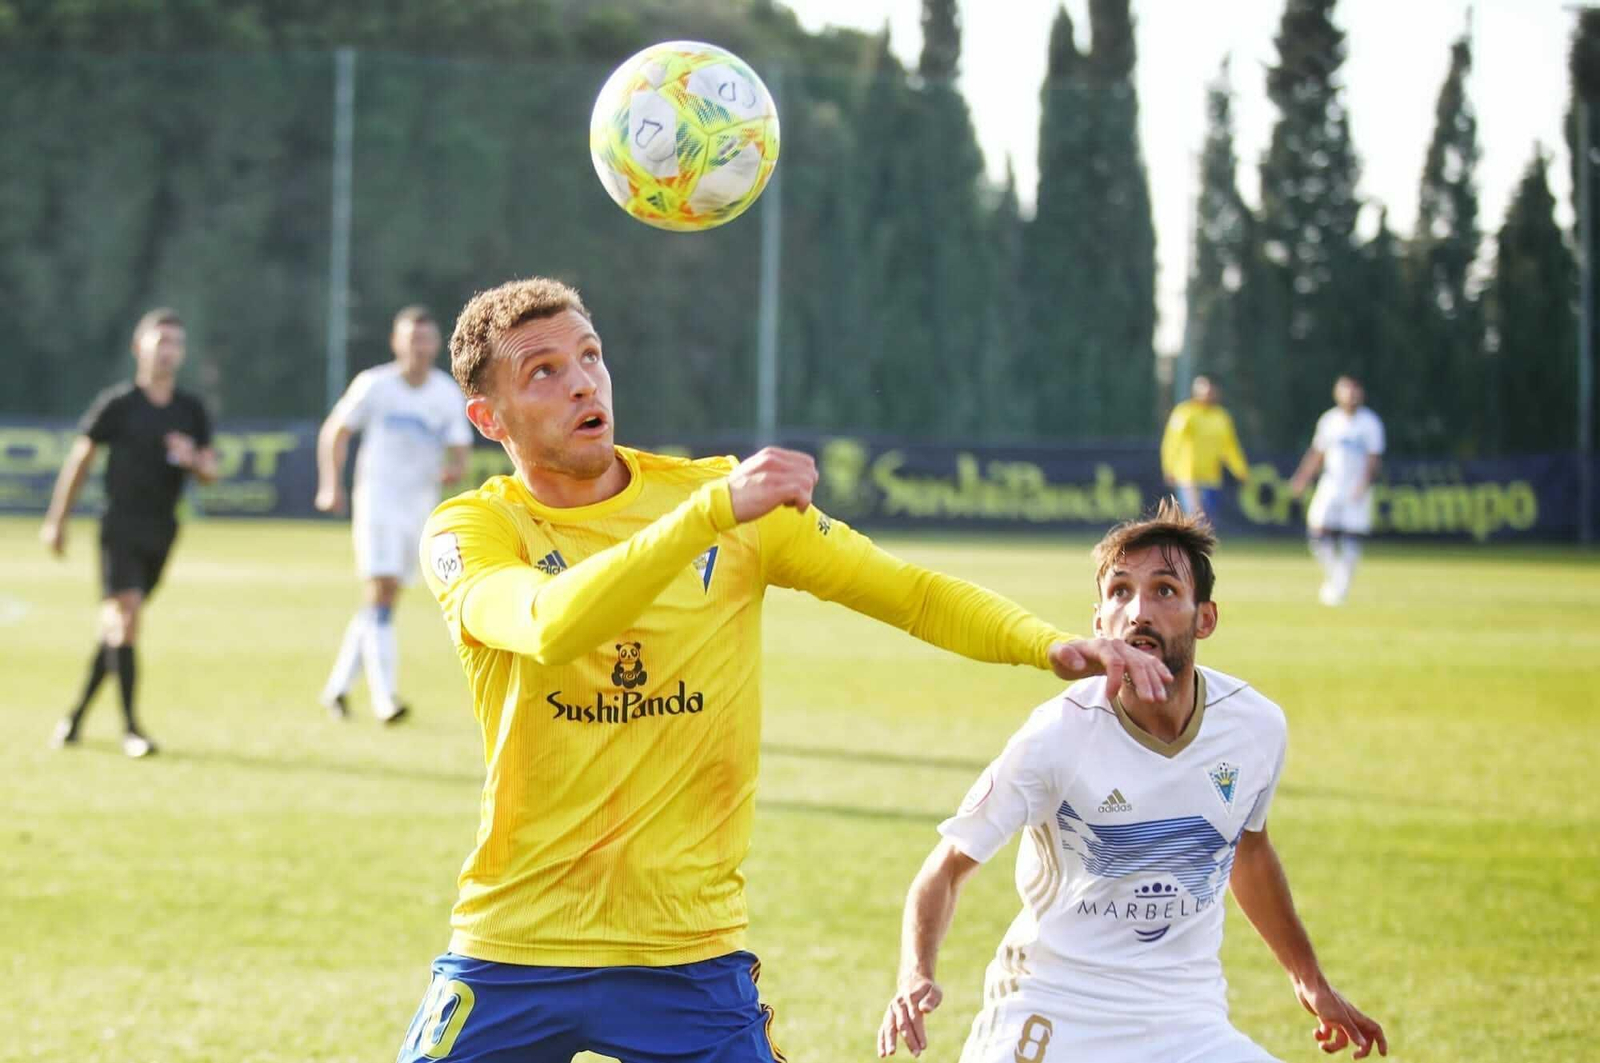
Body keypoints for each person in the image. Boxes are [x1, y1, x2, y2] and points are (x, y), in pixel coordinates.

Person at [396, 276, 1171, 1063]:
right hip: (516, 943)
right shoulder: (475, 527)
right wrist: (706, 515)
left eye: (590, 356)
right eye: (543, 372)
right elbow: (548, 623)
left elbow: (910, 591)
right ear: (487, 418)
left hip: (686, 952)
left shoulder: (725, 503)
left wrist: (1044, 643)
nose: (583, 382)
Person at [876, 501, 1387, 1063]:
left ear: (1205, 618)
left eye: (1165, 590)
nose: (1139, 610)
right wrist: (914, 974)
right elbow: (946, 871)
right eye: (1120, 591)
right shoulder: (1055, 736)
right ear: (1099, 622)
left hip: (1187, 1022)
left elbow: (1249, 849)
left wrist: (1308, 978)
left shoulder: (1256, 726)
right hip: (1053, 1012)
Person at [41, 308, 218, 757]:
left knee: (119, 633)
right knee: (127, 617)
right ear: (139, 348)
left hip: (162, 532)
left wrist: (192, 458)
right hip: (118, 526)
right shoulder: (118, 405)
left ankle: (75, 717)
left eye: (175, 343)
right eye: (159, 343)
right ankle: (132, 729)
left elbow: (210, 472)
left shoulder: (190, 410)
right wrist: (57, 519)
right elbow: (81, 460)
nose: (167, 352)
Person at [314, 306, 472, 722]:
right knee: (381, 591)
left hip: (418, 506)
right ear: (396, 342)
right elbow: (336, 431)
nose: (418, 347)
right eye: (411, 338)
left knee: (383, 600)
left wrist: (453, 469)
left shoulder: (444, 393)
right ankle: (386, 699)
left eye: (426, 339)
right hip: (378, 501)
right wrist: (330, 485)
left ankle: (337, 689)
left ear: (437, 345)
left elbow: (460, 447)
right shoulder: (375, 386)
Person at [1289, 375, 1385, 606]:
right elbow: (1317, 453)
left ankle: (1339, 588)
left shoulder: (1370, 423)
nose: (1350, 395)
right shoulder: (1329, 420)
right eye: (1346, 390)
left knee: (1352, 537)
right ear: (1337, 393)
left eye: (1355, 390)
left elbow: (1374, 459)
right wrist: (1302, 478)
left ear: (1361, 394)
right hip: (1331, 484)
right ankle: (1336, 579)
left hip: (1356, 487)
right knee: (1317, 531)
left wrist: (1363, 484)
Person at [1160, 374, 1249, 519]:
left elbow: (1230, 447)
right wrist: (1168, 467)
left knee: (1208, 519)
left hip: (1212, 477)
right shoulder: (1184, 413)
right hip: (1188, 475)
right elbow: (1172, 442)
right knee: (1196, 516)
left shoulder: (1221, 417)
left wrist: (1240, 470)